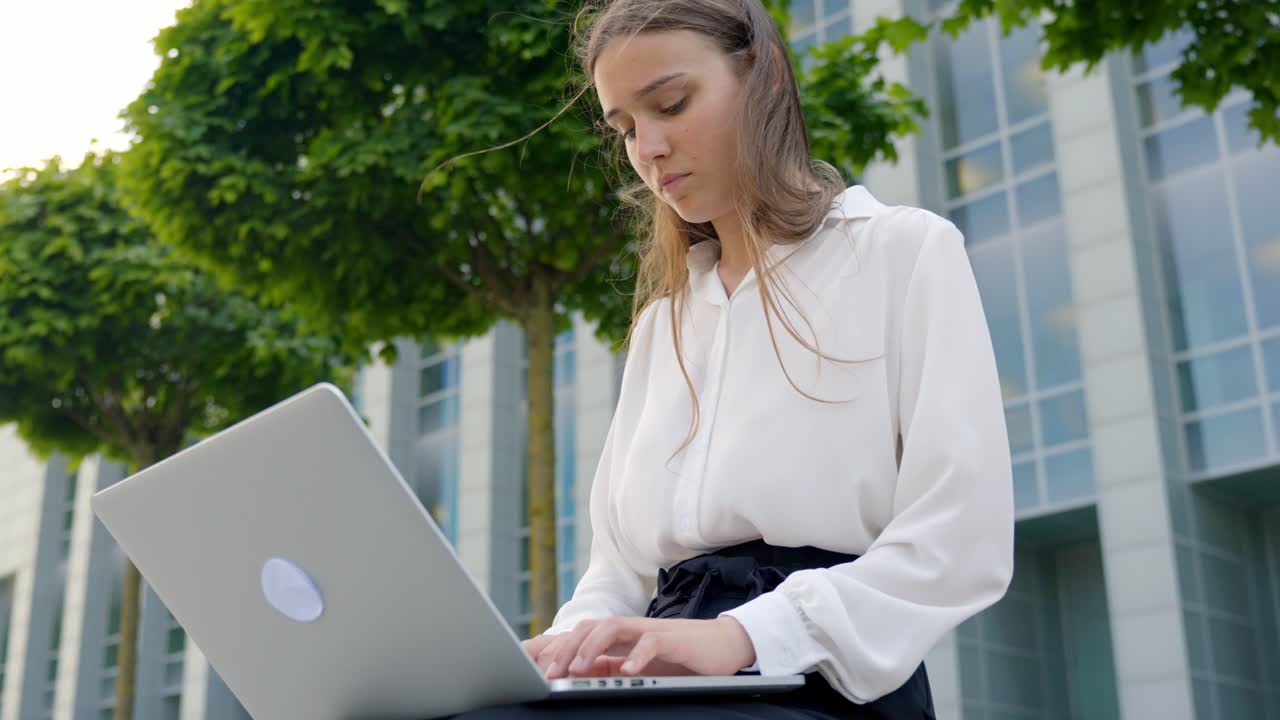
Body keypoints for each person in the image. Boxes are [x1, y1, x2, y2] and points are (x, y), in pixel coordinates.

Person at [450, 0, 1014, 717]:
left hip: (815, 676)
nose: (647, 147)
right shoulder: (664, 325)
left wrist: (743, 634)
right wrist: (563, 650)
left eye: (672, 104)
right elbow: (619, 572)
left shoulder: (901, 253)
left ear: (765, 79)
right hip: (663, 675)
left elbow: (962, 539)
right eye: (624, 128)